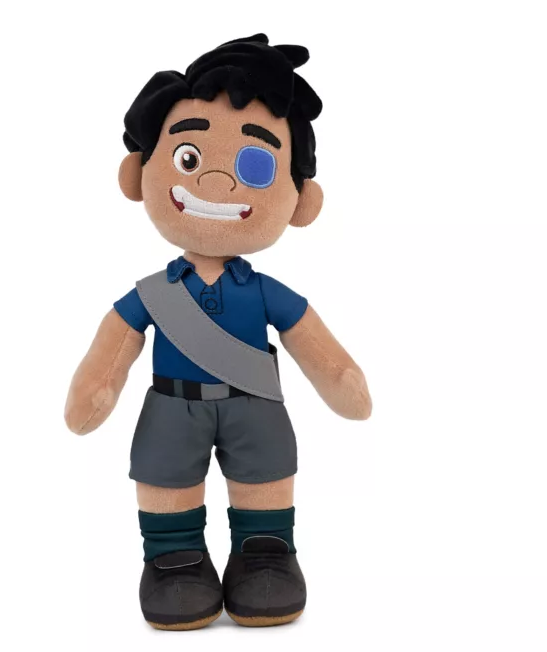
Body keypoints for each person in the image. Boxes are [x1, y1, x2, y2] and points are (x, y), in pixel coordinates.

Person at [65, 33, 372, 630]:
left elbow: (314, 345)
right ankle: (173, 560)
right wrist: (94, 391)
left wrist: (343, 382)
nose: (216, 181)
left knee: (265, 478)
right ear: (138, 173)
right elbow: (115, 346)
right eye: (188, 158)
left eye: (255, 166)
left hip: (254, 404)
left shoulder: (266, 292)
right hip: (172, 406)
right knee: (165, 476)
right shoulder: (153, 293)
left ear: (301, 201)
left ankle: (266, 555)